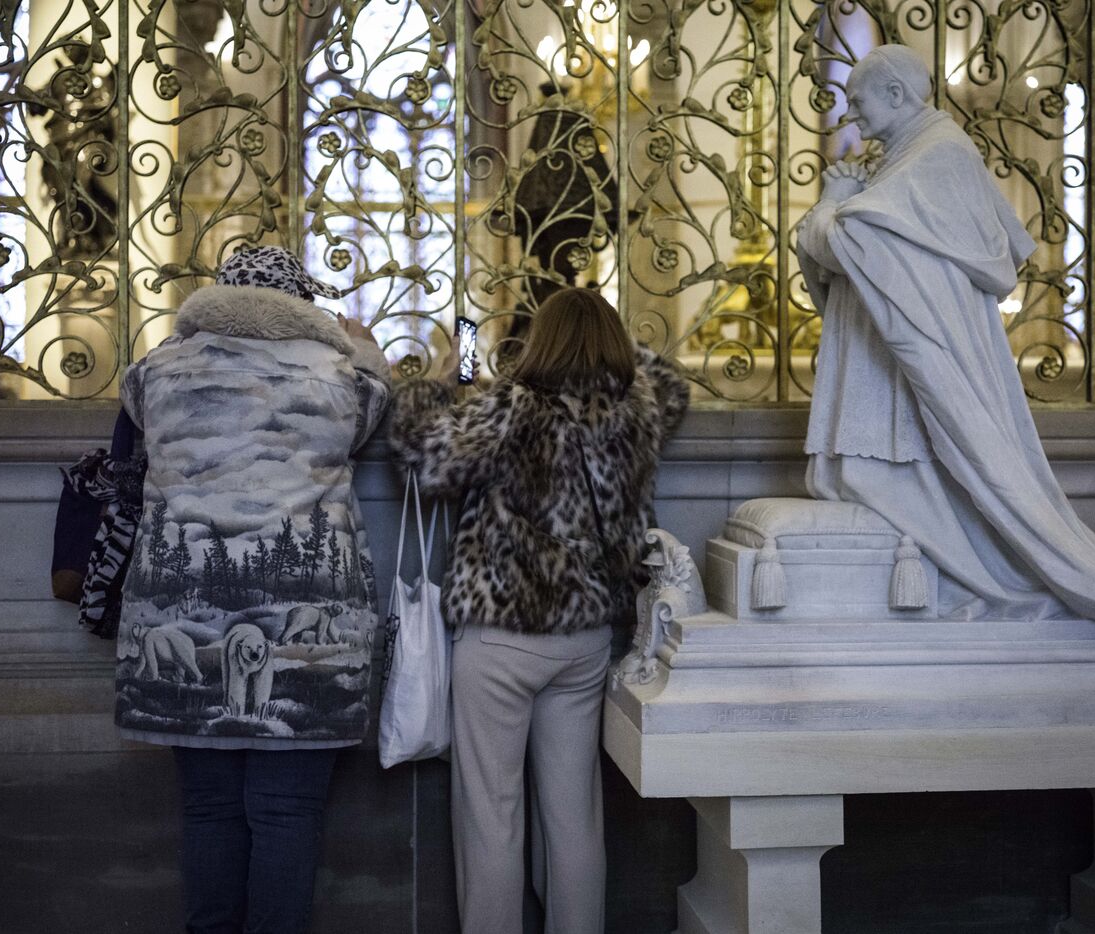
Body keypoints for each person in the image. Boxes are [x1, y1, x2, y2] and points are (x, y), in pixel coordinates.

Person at [796, 45, 1095, 627]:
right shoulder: (909, 157)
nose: (849, 113)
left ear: (895, 94)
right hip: (887, 374)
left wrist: (832, 205)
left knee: (887, 482)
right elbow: (859, 251)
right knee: (861, 479)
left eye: (857, 100)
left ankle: (985, 578)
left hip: (905, 388)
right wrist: (838, 214)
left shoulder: (935, 156)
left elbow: (847, 244)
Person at [388, 287, 689, 934]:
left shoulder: (513, 406)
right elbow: (672, 382)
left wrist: (444, 379)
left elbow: (419, 450)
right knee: (573, 815)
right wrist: (611, 354)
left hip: (502, 638)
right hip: (586, 640)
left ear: (538, 342)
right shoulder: (639, 408)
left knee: (491, 816)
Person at [114, 245, 392, 934]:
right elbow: (376, 403)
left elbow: (135, 409)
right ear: (303, 304)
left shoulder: (160, 370)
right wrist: (362, 346)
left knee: (208, 809)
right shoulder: (337, 375)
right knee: (286, 812)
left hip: (178, 601)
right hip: (311, 608)